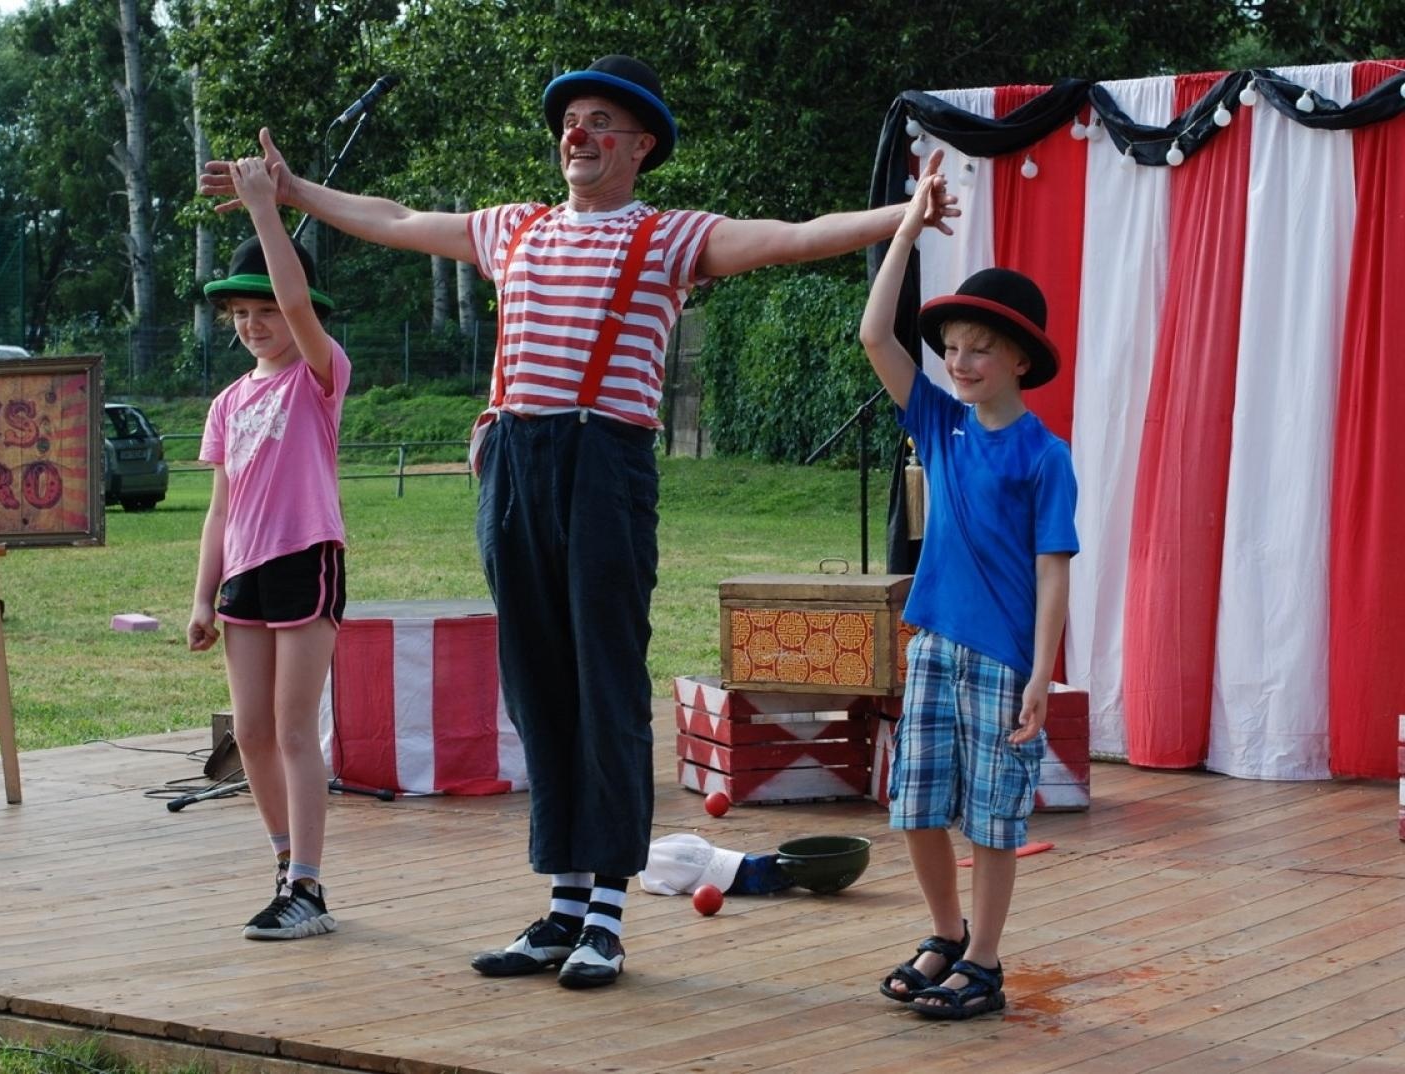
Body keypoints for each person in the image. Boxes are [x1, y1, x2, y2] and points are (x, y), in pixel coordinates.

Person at [200, 54, 957, 987]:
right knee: (536, 682)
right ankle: (562, 903)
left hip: (603, 462)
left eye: (602, 122)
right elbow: (395, 221)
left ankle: (607, 909)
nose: (579, 134)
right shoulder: (513, 229)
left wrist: (905, 215)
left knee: (602, 678)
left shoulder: (668, 237)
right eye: (571, 120)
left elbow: (793, 236)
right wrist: (295, 190)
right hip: (514, 461)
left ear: (639, 147)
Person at [858, 167, 1078, 1019]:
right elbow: (878, 335)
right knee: (915, 801)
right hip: (935, 643)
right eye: (951, 346)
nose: (959, 361)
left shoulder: (1043, 455)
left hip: (1001, 659)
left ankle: (983, 963)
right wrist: (907, 230)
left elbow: (1053, 566)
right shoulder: (938, 422)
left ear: (1020, 359)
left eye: (979, 348)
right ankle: (944, 935)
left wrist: (1041, 673)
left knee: (993, 820)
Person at [188, 155, 353, 941]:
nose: (255, 323)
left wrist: (264, 209)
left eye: (267, 310)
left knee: (294, 729)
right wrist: (201, 594)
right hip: (244, 577)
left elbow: (295, 297)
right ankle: (285, 865)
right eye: (240, 314)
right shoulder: (228, 401)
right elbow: (220, 508)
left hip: (304, 561)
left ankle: (311, 888)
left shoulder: (318, 375)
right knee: (248, 732)